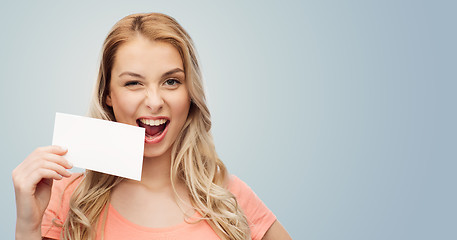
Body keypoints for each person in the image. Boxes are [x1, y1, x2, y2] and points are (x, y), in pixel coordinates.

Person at [12, 12, 291, 240]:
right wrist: (27, 226)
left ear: (189, 92)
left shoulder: (227, 196)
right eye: (134, 83)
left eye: (171, 81)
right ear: (108, 94)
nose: (155, 101)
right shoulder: (66, 198)